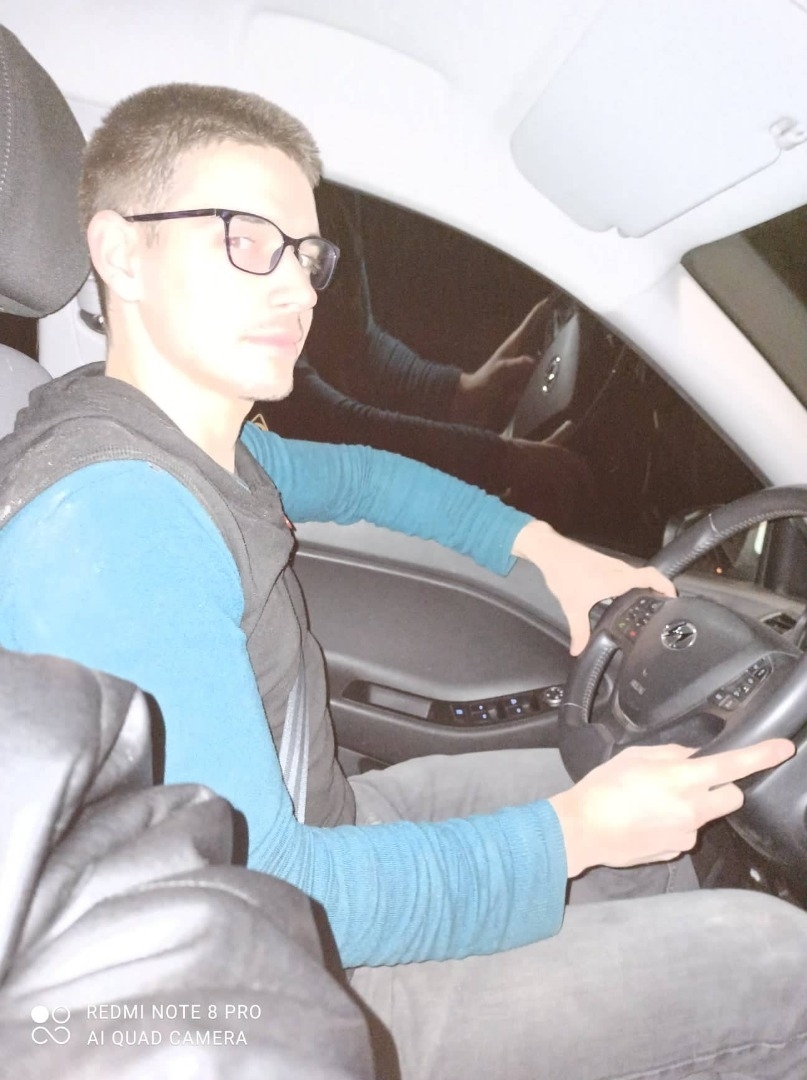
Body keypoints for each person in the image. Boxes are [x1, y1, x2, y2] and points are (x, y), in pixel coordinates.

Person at [0, 83, 804, 1080]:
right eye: (246, 241)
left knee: (664, 809)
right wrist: (572, 837)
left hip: (324, 832)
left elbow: (364, 479)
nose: (297, 292)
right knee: (782, 968)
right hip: (276, 978)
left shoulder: (168, 435)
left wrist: (544, 549)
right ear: (121, 254)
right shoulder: (112, 520)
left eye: (306, 256)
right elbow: (270, 888)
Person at [255, 182, 597, 535]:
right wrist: (500, 460)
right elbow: (324, 427)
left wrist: (459, 393)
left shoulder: (328, 185)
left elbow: (354, 339)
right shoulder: (254, 195)